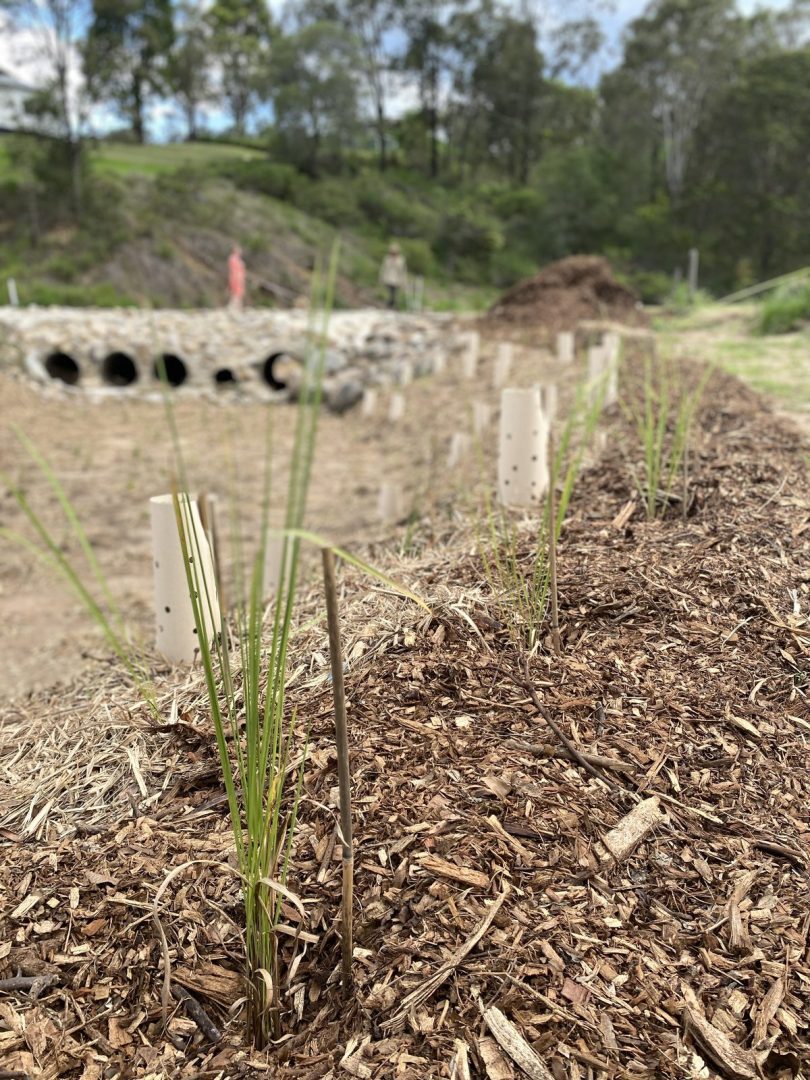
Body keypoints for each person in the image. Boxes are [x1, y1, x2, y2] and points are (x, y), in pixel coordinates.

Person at [379, 242, 407, 310]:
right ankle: (391, 305)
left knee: (394, 293)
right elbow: (383, 269)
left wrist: (404, 281)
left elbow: (403, 271)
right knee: (391, 292)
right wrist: (381, 278)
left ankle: (391, 305)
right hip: (388, 279)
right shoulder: (387, 259)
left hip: (397, 279)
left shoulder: (401, 260)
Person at [228, 244, 246, 310]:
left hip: (240, 277)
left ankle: (238, 306)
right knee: (235, 292)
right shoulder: (232, 258)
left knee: (240, 292)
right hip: (235, 277)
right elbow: (233, 269)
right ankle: (233, 306)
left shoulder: (239, 260)